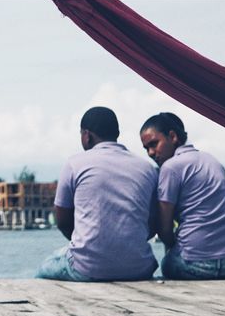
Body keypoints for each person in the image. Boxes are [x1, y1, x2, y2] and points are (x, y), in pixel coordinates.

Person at [37, 106, 158, 282]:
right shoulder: (147, 168)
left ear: (87, 135)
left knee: (44, 269)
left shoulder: (75, 164)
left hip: (86, 268)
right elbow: (153, 223)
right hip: (139, 269)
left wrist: (90, 243)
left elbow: (62, 221)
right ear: (116, 133)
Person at [140, 112, 225, 280]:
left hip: (195, 265)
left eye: (154, 144)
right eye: (147, 148)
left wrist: (178, 247)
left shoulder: (170, 168)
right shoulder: (212, 161)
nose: (150, 152)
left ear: (173, 136)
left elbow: (164, 229)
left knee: (166, 264)